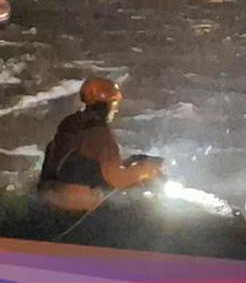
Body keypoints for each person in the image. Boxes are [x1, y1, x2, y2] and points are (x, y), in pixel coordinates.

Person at [38, 78, 165, 212]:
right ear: (107, 105)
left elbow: (92, 164)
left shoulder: (72, 125)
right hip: (78, 202)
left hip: (53, 195)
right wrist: (145, 169)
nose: (116, 110)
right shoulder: (98, 132)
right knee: (139, 207)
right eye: (114, 104)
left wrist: (129, 163)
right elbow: (116, 178)